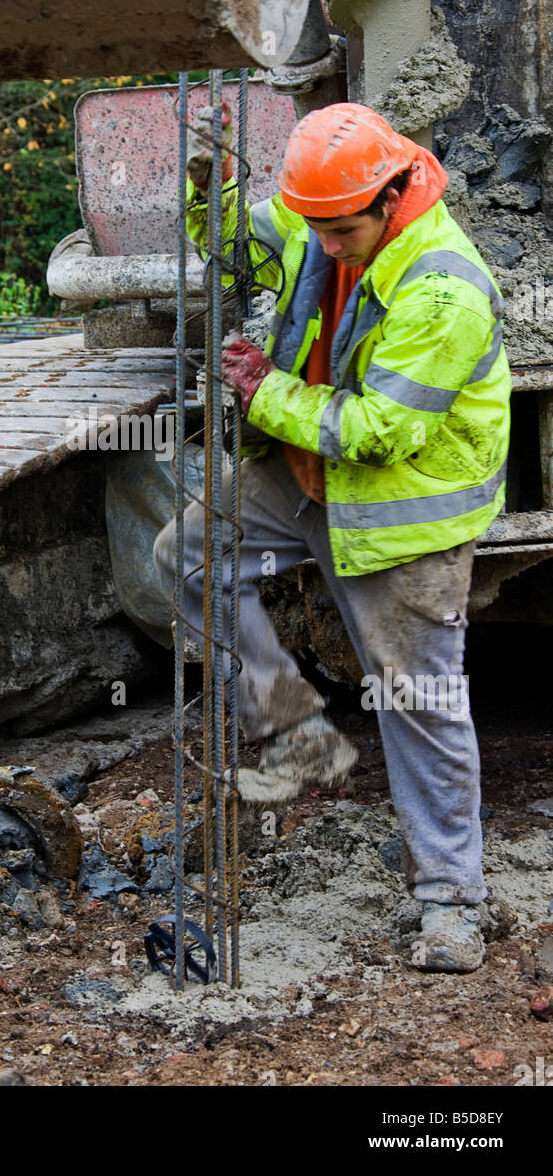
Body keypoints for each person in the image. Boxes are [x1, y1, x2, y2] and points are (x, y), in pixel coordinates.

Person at [154, 101, 511, 973]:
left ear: (392, 198)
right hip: (314, 480)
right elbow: (264, 239)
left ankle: (452, 902)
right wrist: (219, 192)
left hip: (402, 512)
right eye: (319, 228)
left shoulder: (442, 289)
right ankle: (294, 724)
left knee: (418, 705)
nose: (327, 247)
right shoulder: (331, 217)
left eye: (343, 232)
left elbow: (379, 430)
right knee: (185, 555)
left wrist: (260, 391)